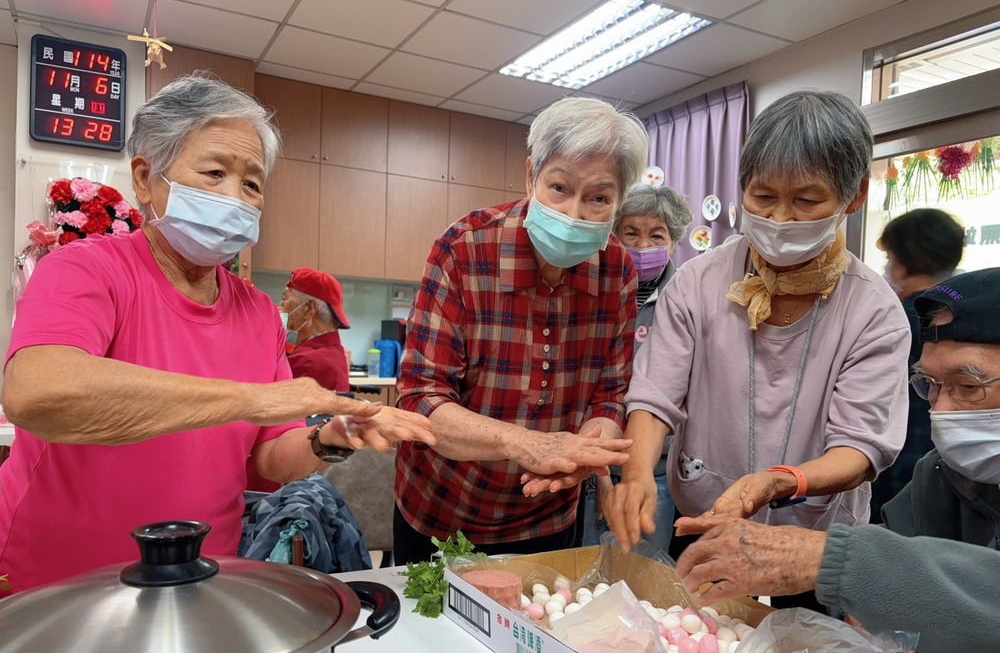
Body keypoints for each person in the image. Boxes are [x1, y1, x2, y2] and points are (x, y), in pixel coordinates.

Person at [0, 74, 434, 594]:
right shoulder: (85, 270)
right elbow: (39, 394)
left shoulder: (254, 311)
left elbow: (271, 457)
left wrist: (329, 438)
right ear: (146, 178)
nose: (236, 197)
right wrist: (255, 398)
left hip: (203, 581)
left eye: (252, 184)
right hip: (60, 582)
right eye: (214, 173)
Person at [604, 90, 910, 610]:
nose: (782, 219)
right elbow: (656, 394)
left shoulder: (874, 310)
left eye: (807, 201)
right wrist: (635, 476)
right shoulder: (699, 281)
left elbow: (861, 449)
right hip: (703, 521)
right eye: (763, 197)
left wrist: (778, 482)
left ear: (854, 196)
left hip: (812, 546)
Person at [675, 267, 1000, 653]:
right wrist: (870, 627)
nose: (941, 411)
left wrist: (835, 563)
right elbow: (902, 583)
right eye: (930, 385)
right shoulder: (939, 478)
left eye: (968, 387)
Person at [394, 96, 647, 565]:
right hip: (443, 510)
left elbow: (610, 395)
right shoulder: (465, 250)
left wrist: (582, 453)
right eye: (559, 188)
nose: (574, 214)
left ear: (619, 200)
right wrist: (524, 442)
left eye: (598, 198)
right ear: (531, 175)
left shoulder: (618, 271)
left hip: (546, 517)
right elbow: (420, 399)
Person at [580, 183, 693, 551]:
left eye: (656, 235)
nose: (643, 246)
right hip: (588, 463)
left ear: (673, 242)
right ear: (614, 235)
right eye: (631, 233)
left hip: (656, 471)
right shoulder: (592, 290)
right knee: (578, 577)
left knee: (638, 575)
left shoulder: (687, 300)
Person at [870, 208, 965, 517]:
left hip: (897, 457)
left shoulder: (898, 319)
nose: (888, 270)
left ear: (906, 260)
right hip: (950, 459)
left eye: (891, 260)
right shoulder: (967, 312)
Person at [281, 267, 352, 392]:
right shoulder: (332, 352)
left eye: (284, 298)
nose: (280, 307)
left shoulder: (308, 363)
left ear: (308, 309)